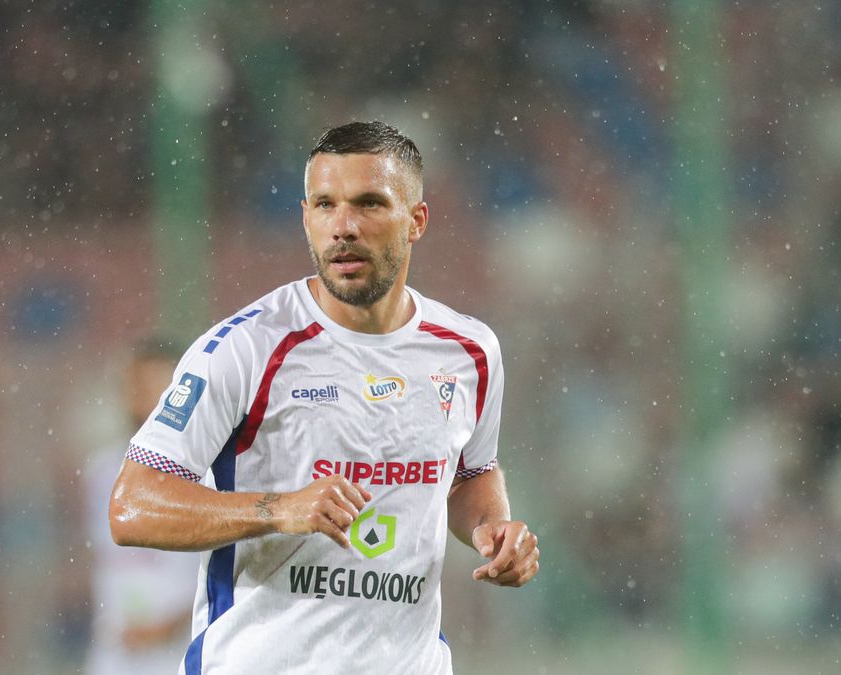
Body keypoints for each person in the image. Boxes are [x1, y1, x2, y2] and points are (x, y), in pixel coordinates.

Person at [109, 121, 540, 674]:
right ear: (305, 217)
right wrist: (279, 508)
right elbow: (131, 507)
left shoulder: (471, 352)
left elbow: (471, 472)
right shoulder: (246, 348)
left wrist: (491, 529)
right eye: (325, 205)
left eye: (368, 203)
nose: (344, 227)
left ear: (416, 221)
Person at [85, 340, 196, 674]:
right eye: (133, 384)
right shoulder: (102, 471)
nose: (139, 395)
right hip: (116, 654)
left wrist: (174, 623)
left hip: (182, 653)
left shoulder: (206, 472)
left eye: (152, 384)